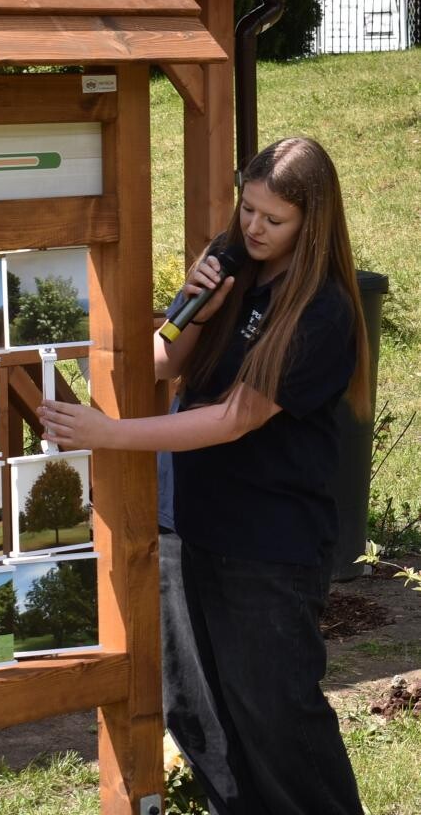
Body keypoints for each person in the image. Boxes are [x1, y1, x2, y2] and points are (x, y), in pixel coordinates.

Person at [38, 137, 368, 815]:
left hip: (266, 548)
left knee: (276, 719)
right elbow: (162, 366)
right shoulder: (232, 269)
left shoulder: (321, 311)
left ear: (313, 221)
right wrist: (191, 310)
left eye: (272, 219)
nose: (252, 228)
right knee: (198, 716)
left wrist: (113, 437)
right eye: (247, 209)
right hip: (188, 523)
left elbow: (233, 419)